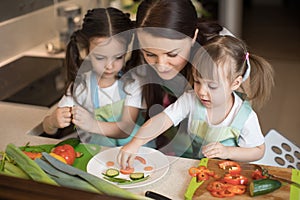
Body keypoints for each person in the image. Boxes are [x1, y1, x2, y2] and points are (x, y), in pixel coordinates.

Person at [118, 35, 274, 168]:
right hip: (196, 166)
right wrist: (135, 143)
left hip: (227, 173)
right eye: (198, 81)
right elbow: (162, 120)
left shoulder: (244, 117)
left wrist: (228, 152)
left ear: (235, 83)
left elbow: (258, 150)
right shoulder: (191, 99)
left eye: (212, 86)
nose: (201, 91)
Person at [123, 0, 233, 156]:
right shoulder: (138, 62)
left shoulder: (223, 55)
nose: (161, 65)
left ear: (193, 37)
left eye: (172, 54)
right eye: (150, 54)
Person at [42, 8, 152, 147]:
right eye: (100, 57)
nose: (109, 66)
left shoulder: (133, 82)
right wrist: (52, 121)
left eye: (118, 57)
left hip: (136, 154)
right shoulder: (81, 86)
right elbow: (47, 128)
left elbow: (126, 128)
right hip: (97, 157)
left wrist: (92, 125)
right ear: (86, 51)